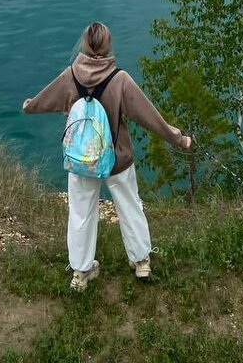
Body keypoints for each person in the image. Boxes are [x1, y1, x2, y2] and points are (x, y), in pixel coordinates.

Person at [23, 21, 192, 292]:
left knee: (80, 213)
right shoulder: (120, 80)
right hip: (117, 159)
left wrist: (30, 106)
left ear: (85, 46)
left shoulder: (70, 76)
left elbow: (46, 99)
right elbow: (150, 117)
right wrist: (178, 138)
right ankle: (141, 262)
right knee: (129, 205)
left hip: (81, 162)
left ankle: (81, 271)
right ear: (108, 45)